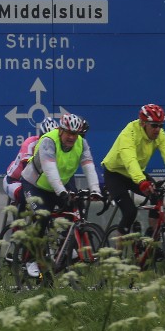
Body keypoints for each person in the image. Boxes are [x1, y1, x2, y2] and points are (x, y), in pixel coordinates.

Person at [13, 114, 101, 277]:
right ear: (60, 130)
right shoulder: (48, 141)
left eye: (75, 134)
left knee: (74, 211)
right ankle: (30, 259)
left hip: (58, 184)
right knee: (43, 216)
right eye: (68, 133)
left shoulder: (81, 143)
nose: (72, 137)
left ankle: (64, 248)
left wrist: (95, 190)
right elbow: (50, 170)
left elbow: (89, 167)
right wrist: (62, 192)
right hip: (35, 185)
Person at [100, 104, 165, 234]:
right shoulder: (129, 133)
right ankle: (119, 246)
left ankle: (152, 237)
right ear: (143, 123)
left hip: (135, 174)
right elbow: (130, 160)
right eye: (154, 125)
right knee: (130, 212)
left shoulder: (160, 135)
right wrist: (141, 181)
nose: (158, 129)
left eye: (161, 125)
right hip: (115, 174)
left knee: (157, 196)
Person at [3, 117, 58, 197]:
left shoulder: (58, 147)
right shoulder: (30, 143)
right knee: (27, 196)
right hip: (15, 180)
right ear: (41, 136)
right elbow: (27, 173)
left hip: (39, 181)